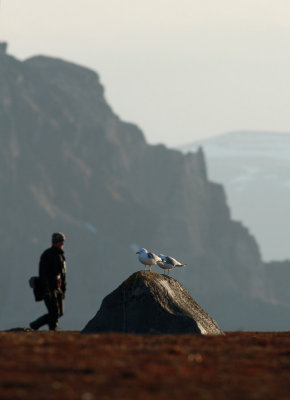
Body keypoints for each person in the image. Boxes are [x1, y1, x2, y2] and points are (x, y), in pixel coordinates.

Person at [30, 232, 67, 331]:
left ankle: (35, 325)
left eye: (62, 242)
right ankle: (52, 329)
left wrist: (63, 289)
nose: (61, 244)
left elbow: (63, 275)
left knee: (59, 312)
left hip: (58, 289)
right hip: (49, 288)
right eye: (60, 241)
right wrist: (46, 289)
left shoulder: (61, 256)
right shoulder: (47, 255)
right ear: (55, 242)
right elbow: (43, 273)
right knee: (54, 312)